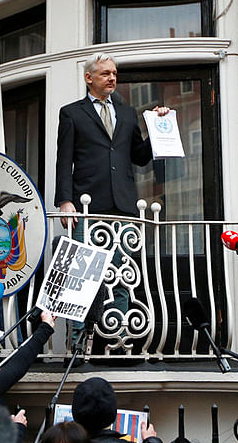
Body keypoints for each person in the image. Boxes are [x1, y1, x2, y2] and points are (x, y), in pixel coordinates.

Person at [54, 53, 170, 346]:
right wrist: (64, 201)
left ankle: (118, 339)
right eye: (105, 73)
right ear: (89, 78)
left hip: (123, 205)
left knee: (121, 276)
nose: (112, 78)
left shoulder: (128, 113)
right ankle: (79, 343)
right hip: (86, 207)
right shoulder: (71, 113)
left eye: (115, 73)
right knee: (81, 277)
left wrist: (158, 129)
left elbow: (139, 157)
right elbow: (63, 160)